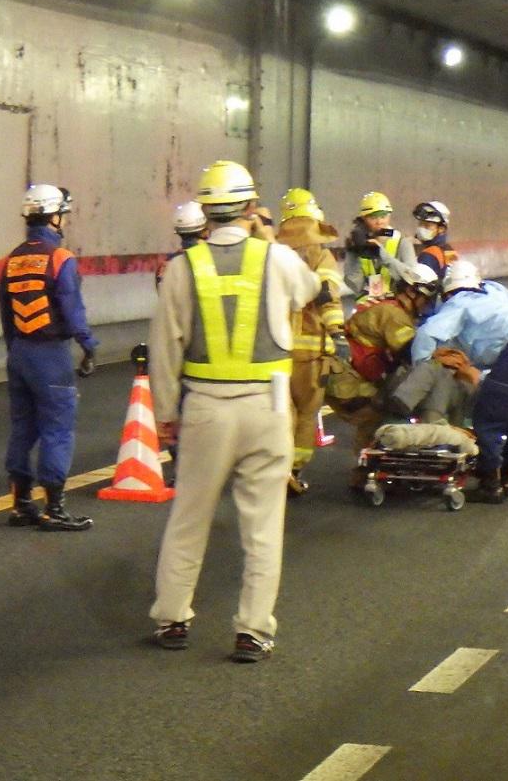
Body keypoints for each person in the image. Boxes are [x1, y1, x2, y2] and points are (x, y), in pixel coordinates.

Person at [147, 160, 319, 663]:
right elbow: (310, 290)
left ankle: (172, 617)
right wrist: (266, 234)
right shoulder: (277, 259)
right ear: (249, 207)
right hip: (267, 405)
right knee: (263, 524)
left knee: (189, 516)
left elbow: (165, 346)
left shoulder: (184, 267)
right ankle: (252, 630)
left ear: (204, 211)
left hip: (205, 407)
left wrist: (164, 411)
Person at [0, 184, 98, 531]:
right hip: (51, 354)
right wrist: (88, 344)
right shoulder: (60, 258)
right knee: (57, 428)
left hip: (20, 352)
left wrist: (15, 350)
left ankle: (21, 503)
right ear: (54, 217)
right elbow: (72, 309)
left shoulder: (12, 259)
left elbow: (6, 314)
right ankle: (54, 508)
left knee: (23, 428)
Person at [411, 261, 508, 503]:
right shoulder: (495, 290)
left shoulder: (460, 301)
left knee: (488, 418)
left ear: (449, 289)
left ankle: (490, 483)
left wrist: (420, 366)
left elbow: (428, 333)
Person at [326, 263, 468, 488]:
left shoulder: (388, 306)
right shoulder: (394, 315)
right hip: (349, 384)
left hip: (344, 378)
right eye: (425, 298)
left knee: (379, 413)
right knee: (384, 410)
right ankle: (373, 470)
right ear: (412, 291)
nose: (426, 304)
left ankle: (367, 471)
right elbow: (412, 353)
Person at [276, 187, 346, 495]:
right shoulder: (321, 254)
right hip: (312, 354)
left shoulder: (272, 250)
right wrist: (338, 334)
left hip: (276, 351)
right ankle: (294, 469)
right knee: (306, 414)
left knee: (282, 415)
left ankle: (275, 471)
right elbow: (329, 298)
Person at [343, 191, 416, 298]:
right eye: (373, 217)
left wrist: (383, 256)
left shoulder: (402, 242)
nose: (379, 222)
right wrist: (352, 254)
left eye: (383, 216)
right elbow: (356, 286)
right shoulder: (362, 243)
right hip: (370, 305)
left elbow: (412, 277)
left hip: (396, 305)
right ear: (363, 219)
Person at [412, 200, 458, 283]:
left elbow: (419, 284)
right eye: (420, 224)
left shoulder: (428, 254)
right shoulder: (449, 249)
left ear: (441, 229)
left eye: (427, 225)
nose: (421, 228)